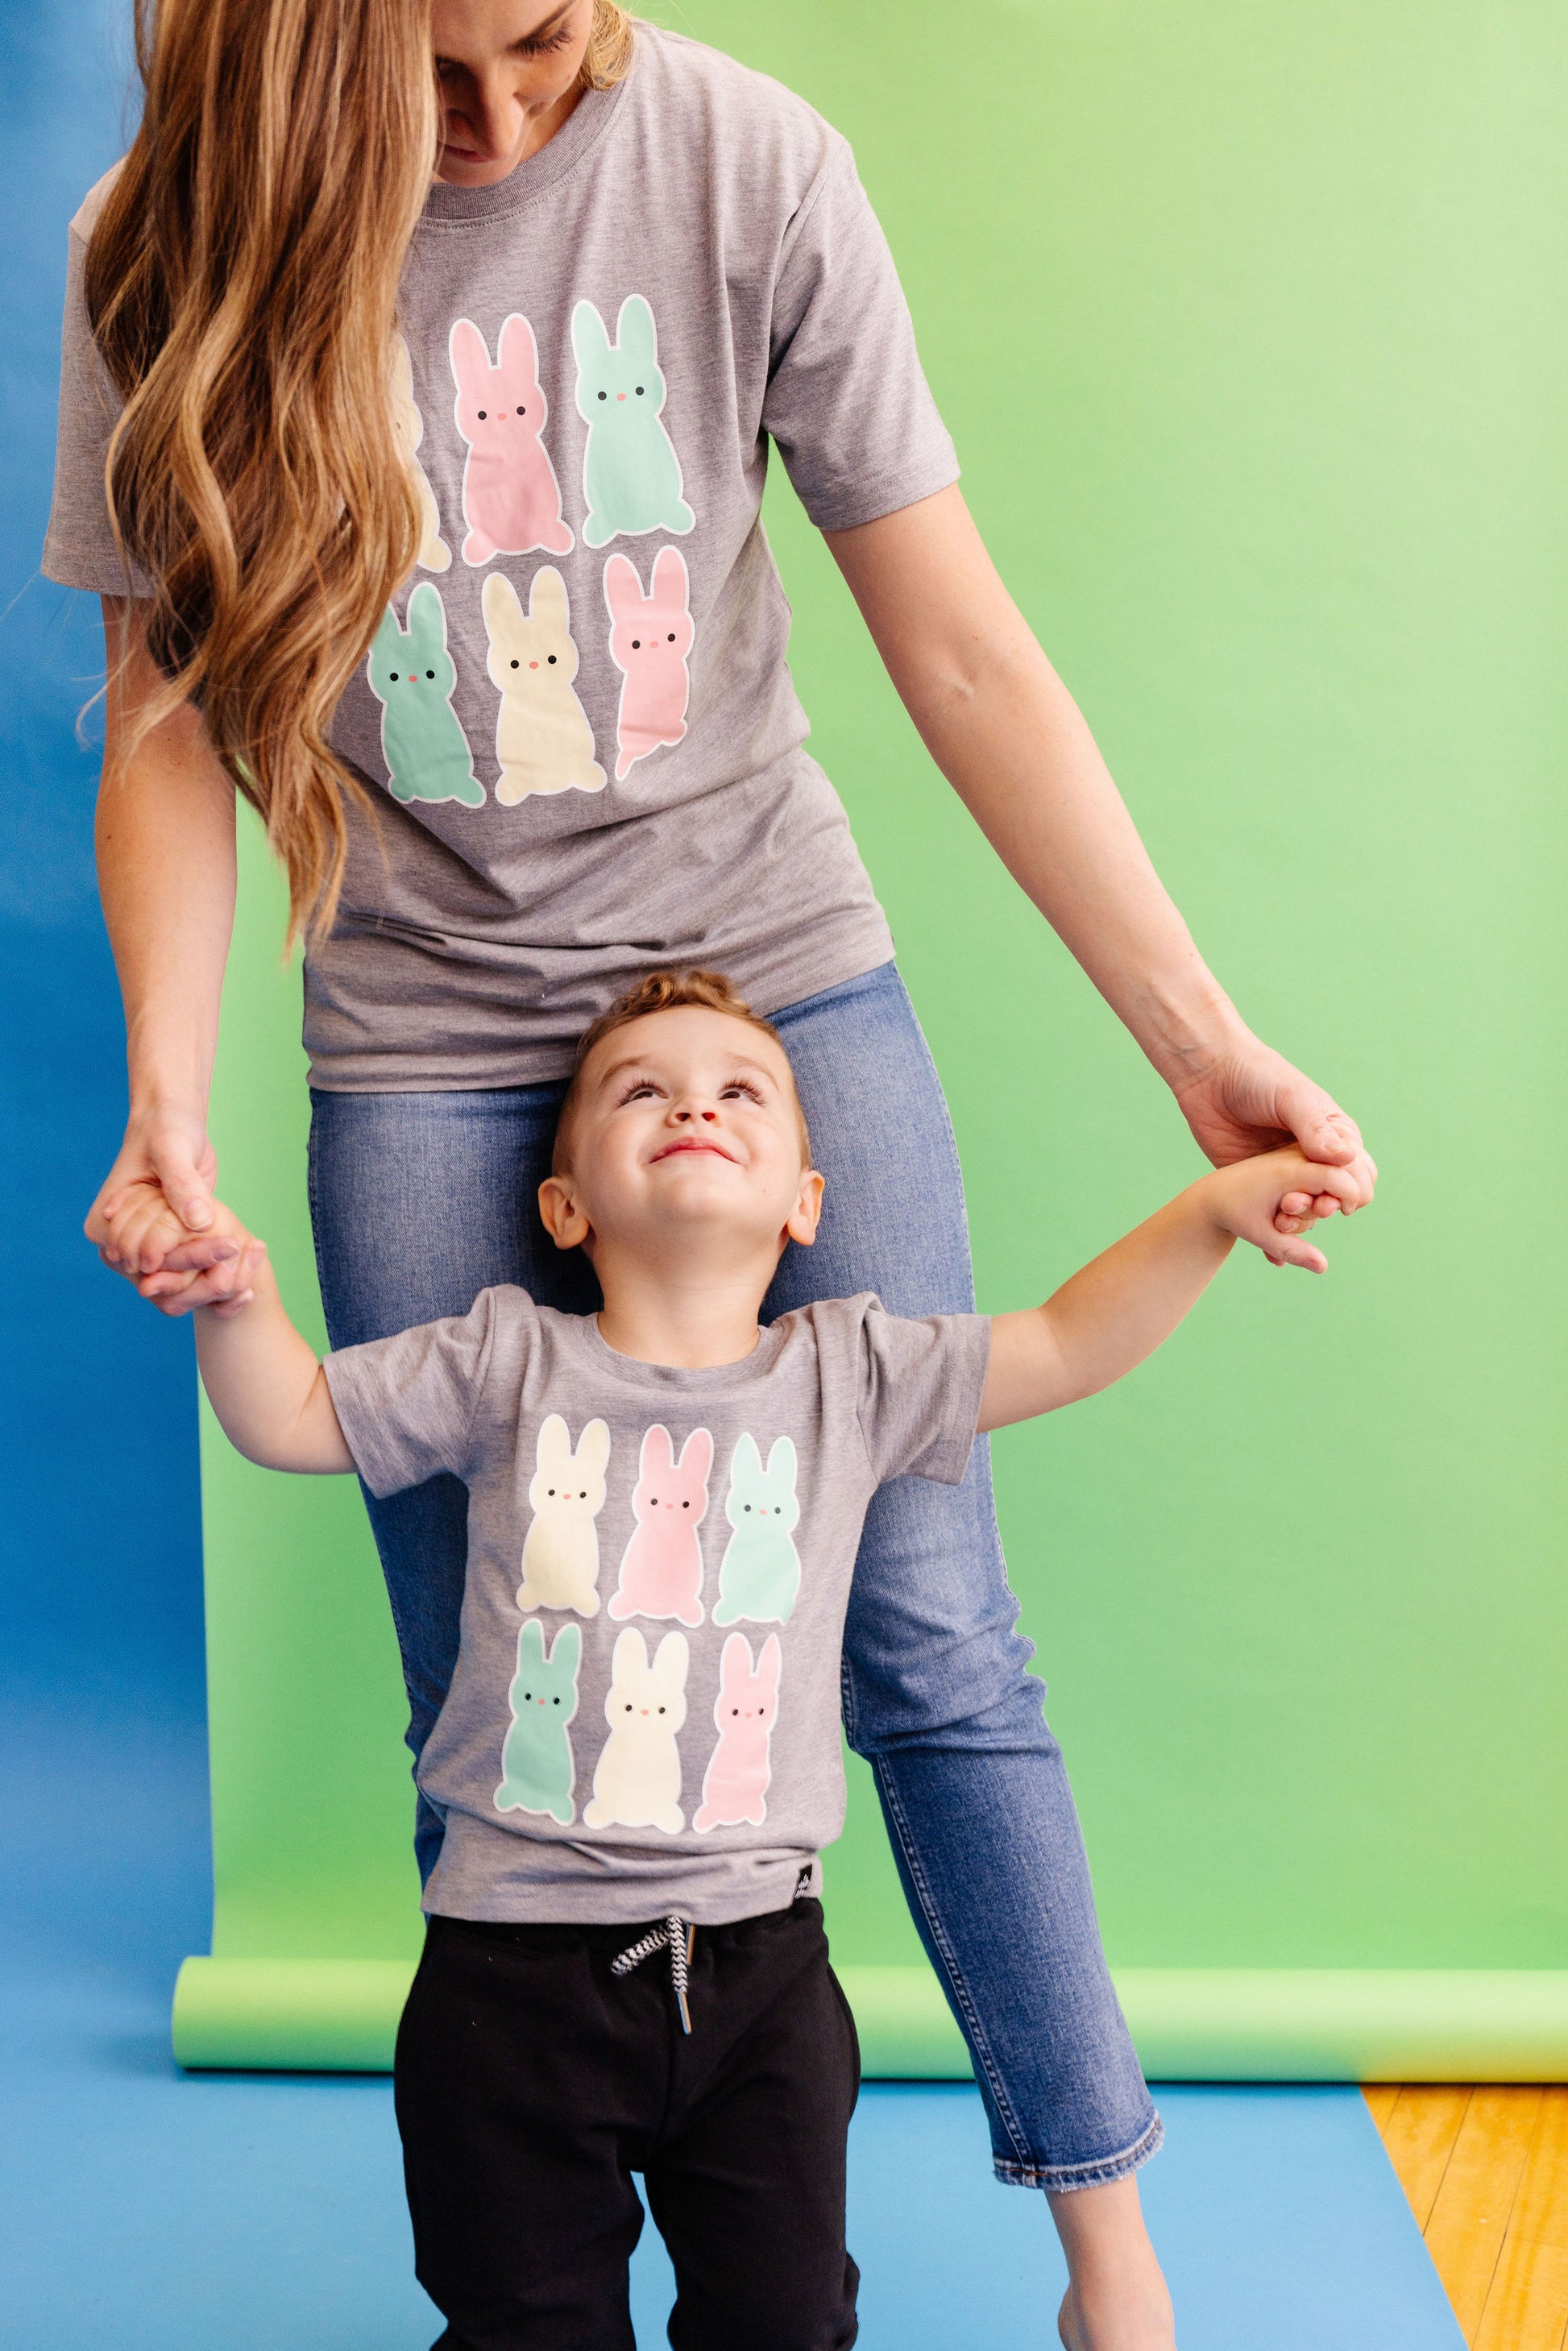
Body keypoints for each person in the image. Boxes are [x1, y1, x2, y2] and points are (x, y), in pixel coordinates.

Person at [45, 3, 1375, 2343]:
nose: (540, 67)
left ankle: (1110, 2250)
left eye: (566, 30)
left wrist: (1197, 1041)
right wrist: (173, 1094)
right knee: (505, 1669)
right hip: (429, 1032)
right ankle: (540, 2263)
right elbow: (165, 713)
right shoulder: (175, 240)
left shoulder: (749, 163)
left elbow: (952, 646)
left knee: (939, 1632)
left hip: (766, 968)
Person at [178, 968, 1368, 2351]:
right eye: (642, 1090)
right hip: (505, 1985)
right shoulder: (502, 1356)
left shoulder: (848, 1373)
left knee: (785, 2322)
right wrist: (232, 1295)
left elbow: (1063, 1338)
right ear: (564, 1206)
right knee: (524, 2326)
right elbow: (296, 1413)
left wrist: (1209, 1212)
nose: (694, 1100)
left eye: (740, 1088)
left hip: (759, 1986)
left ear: (805, 1199)